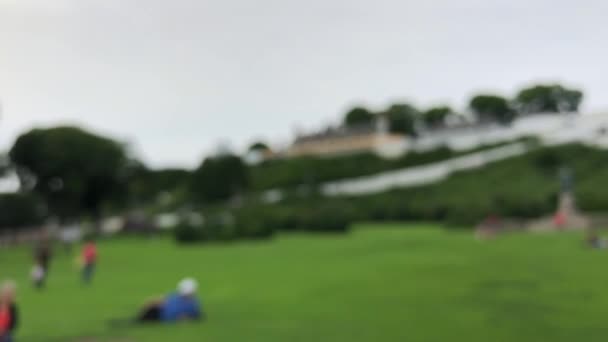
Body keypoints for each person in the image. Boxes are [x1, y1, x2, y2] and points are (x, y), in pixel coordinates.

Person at [137, 278, 203, 323]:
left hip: (160, 316)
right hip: (158, 313)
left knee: (140, 320)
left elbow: (187, 317)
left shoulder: (192, 304)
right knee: (140, 319)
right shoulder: (177, 297)